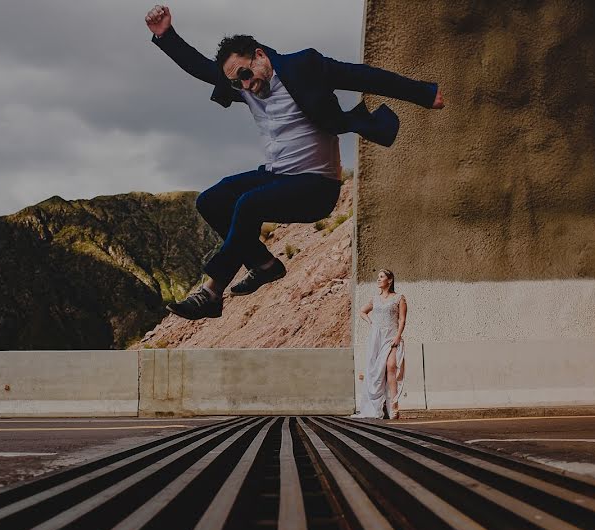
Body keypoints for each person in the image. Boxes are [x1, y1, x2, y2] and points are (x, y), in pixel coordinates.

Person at [145, 5, 445, 320]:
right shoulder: (243, 87)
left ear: (259, 55)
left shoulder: (305, 66)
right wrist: (166, 35)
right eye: (237, 83)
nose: (245, 86)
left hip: (317, 186)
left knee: (248, 204)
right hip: (277, 178)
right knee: (211, 200)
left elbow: (363, 76)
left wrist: (423, 94)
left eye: (245, 75)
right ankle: (265, 265)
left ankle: (211, 292)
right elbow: (201, 68)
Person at [354, 269, 406, 419]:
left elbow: (402, 319)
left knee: (391, 366)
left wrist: (398, 336)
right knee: (376, 372)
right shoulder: (375, 299)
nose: (378, 279)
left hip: (392, 337)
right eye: (378, 277)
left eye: (381, 277)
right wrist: (371, 322)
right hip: (376, 338)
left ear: (389, 280)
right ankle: (380, 406)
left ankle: (394, 405)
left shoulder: (399, 298)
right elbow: (362, 311)